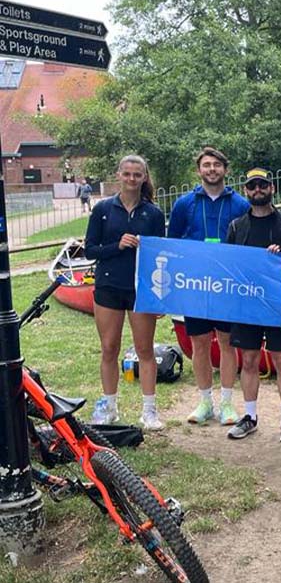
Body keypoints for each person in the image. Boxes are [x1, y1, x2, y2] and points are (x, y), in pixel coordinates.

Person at [168, 147, 250, 428]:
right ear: (199, 170)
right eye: (206, 165)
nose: (211, 169)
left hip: (227, 286)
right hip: (196, 285)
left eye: (217, 165)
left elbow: (248, 245)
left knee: (227, 342)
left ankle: (227, 402)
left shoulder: (240, 204)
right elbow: (173, 244)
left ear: (225, 170)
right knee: (199, 344)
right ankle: (205, 401)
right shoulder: (184, 204)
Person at [225, 168, 281, 443]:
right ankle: (250, 416)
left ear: (272, 188)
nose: (257, 190)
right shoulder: (236, 226)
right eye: (252, 186)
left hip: (276, 303)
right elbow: (229, 266)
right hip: (246, 304)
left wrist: (280, 259)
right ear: (246, 191)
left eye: (262, 185)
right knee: (248, 360)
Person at [85, 155, 165, 430]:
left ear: (144, 177)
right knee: (109, 348)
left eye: (137, 175)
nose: (132, 179)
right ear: (118, 175)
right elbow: (90, 250)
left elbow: (160, 254)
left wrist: (159, 294)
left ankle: (149, 411)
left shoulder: (153, 213)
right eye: (127, 174)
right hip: (109, 286)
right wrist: (116, 245)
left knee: (144, 349)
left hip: (140, 288)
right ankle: (109, 407)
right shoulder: (103, 209)